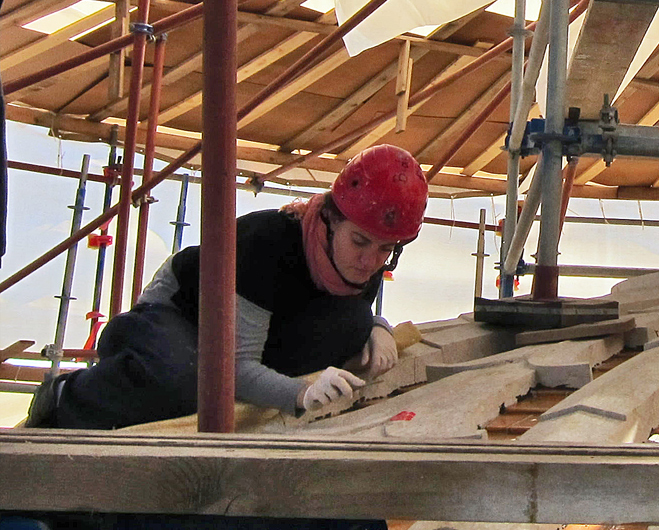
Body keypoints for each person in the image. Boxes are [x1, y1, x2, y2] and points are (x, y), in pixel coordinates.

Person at [27, 144, 428, 429]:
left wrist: (377, 326)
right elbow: (232, 366)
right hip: (181, 315)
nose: (369, 261)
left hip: (261, 329)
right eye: (360, 242)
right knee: (189, 381)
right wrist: (298, 395)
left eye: (385, 250)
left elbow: (348, 315)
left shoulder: (362, 262)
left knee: (351, 327)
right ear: (331, 219)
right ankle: (66, 396)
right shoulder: (267, 244)